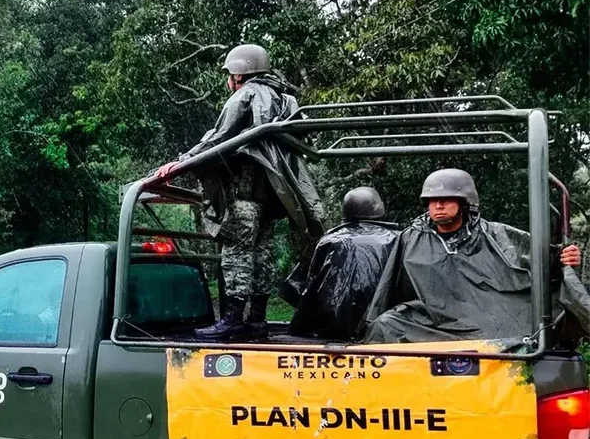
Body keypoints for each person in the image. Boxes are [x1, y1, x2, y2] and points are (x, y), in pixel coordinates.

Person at [154, 44, 325, 340]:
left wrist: (181, 162)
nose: (228, 80)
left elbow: (220, 139)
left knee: (237, 251)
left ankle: (233, 321)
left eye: (230, 74)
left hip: (244, 192)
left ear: (239, 74)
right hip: (273, 196)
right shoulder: (287, 99)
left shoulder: (245, 95)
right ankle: (257, 321)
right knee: (262, 253)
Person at [362, 168, 584, 345]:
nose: (438, 205)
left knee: (523, 332)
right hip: (432, 322)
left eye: (446, 199)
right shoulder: (411, 238)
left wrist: (566, 258)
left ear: (464, 202)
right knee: (385, 325)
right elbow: (388, 287)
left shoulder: (494, 234)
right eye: (432, 200)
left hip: (489, 322)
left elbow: (546, 261)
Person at [287, 186, 400, 340]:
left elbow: (312, 287)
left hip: (333, 326)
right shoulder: (397, 238)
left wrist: (299, 324)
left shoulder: (329, 240)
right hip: (383, 324)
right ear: (378, 207)